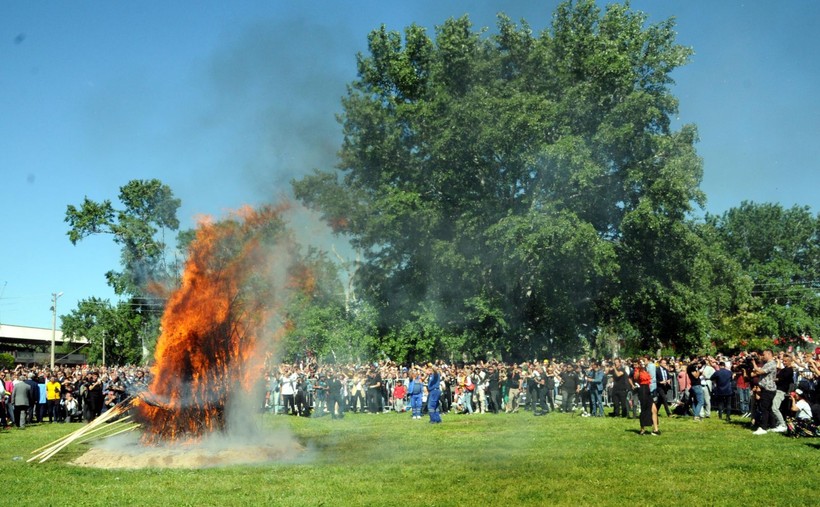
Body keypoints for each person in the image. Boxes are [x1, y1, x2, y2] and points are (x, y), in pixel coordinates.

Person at [751, 349, 777, 435]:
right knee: (768, 408)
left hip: (769, 389)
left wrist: (753, 363)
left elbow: (760, 371)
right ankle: (772, 426)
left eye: (764, 354)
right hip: (765, 388)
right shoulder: (767, 364)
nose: (763, 356)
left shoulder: (772, 364)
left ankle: (763, 427)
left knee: (764, 408)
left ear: (769, 354)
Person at [633, 360, 659, 435]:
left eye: (643, 362)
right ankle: (642, 429)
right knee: (644, 409)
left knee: (654, 409)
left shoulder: (646, 370)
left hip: (647, 389)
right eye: (640, 362)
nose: (642, 363)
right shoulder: (637, 371)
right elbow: (636, 378)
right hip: (642, 389)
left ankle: (656, 429)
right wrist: (639, 368)